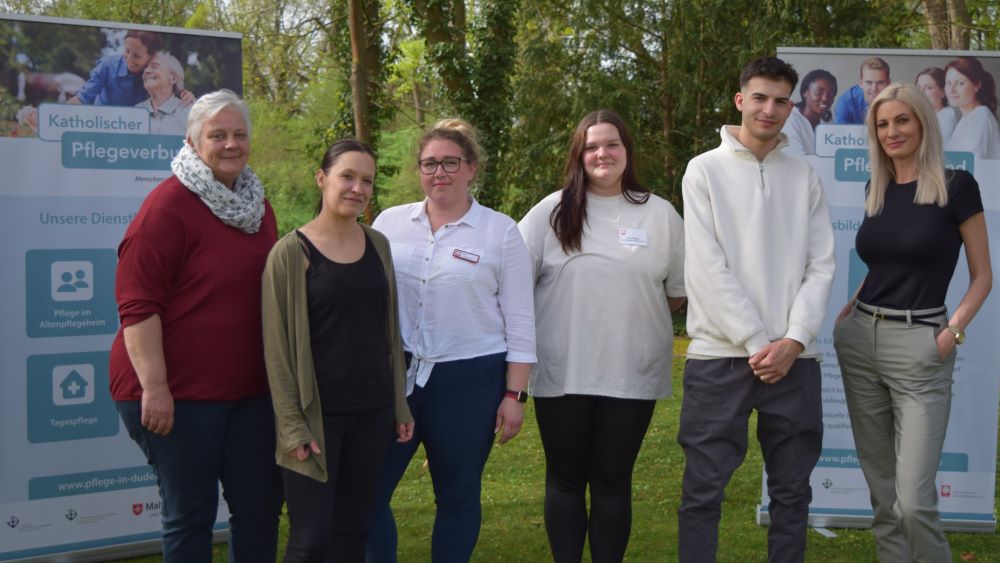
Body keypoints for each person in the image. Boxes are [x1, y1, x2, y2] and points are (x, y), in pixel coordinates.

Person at [109, 89, 282, 563]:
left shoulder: (257, 205)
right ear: (192, 141)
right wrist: (156, 387)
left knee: (262, 507)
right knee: (192, 514)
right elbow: (138, 304)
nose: (231, 144)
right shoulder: (167, 207)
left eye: (240, 134)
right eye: (218, 135)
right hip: (176, 393)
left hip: (247, 392)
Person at [678, 57, 835, 563]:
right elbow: (706, 267)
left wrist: (792, 341)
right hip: (719, 356)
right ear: (740, 100)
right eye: (760, 97)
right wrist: (757, 341)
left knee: (792, 495)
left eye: (781, 100)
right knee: (703, 494)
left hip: (795, 360)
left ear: (792, 107)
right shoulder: (703, 170)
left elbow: (821, 266)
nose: (770, 109)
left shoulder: (805, 177)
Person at [833, 83, 992, 563]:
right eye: (882, 124)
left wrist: (950, 335)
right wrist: (851, 308)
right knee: (884, 497)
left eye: (902, 120)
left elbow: (983, 276)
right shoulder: (874, 188)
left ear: (922, 122)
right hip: (861, 340)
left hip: (922, 344)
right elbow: (884, 262)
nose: (892, 131)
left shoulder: (956, 185)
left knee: (914, 500)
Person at [517, 109, 685, 562]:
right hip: (562, 371)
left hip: (631, 371)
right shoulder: (548, 214)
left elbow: (674, 293)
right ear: (578, 155)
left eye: (611, 144)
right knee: (566, 480)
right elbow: (514, 289)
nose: (602, 153)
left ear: (627, 151)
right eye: (591, 146)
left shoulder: (659, 214)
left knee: (613, 481)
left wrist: (623, 316)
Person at [365, 119, 536, 562]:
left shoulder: (500, 232)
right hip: (396, 374)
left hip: (469, 379)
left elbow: (520, 320)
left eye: (450, 163)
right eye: (429, 164)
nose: (439, 172)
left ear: (471, 168)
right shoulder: (389, 223)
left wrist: (514, 393)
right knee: (367, 493)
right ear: (419, 170)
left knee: (457, 497)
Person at [263, 139, 415, 562]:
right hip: (317, 418)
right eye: (347, 176)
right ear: (322, 178)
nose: (357, 187)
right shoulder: (291, 253)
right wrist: (292, 426)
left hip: (372, 413)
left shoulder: (378, 245)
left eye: (366, 180)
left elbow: (390, 331)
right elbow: (276, 351)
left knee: (353, 531)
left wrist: (399, 405)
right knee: (310, 539)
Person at [943, 57, 1000, 159]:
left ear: (977, 85)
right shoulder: (969, 117)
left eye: (960, 83)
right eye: (948, 83)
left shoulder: (980, 119)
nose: (951, 90)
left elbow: (971, 167)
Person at [783, 69, 837, 155]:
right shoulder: (790, 119)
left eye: (830, 94)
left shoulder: (825, 126)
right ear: (805, 92)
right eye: (818, 92)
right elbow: (798, 159)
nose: (825, 98)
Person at [136, 51, 190, 135]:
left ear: (173, 79)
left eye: (154, 66)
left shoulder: (189, 111)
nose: (146, 71)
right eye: (145, 68)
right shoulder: (136, 110)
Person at [834, 57, 890, 124]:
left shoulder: (897, 101)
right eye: (869, 82)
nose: (874, 88)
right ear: (861, 83)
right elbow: (840, 133)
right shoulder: (846, 102)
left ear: (888, 83)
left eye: (880, 83)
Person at [916, 67, 958, 142]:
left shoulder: (947, 117)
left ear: (943, 92)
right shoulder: (922, 115)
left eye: (929, 88)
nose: (921, 92)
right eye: (919, 87)